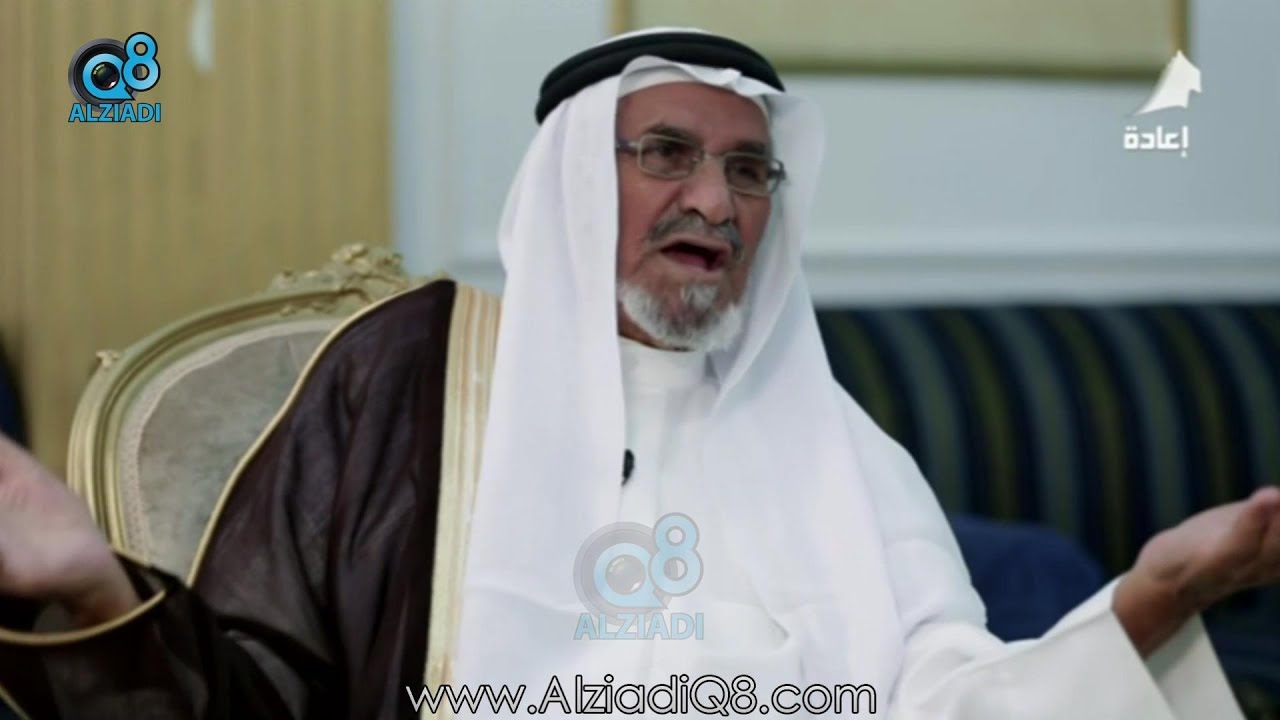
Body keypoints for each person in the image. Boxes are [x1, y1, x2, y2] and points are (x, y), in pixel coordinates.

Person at [1, 28, 1278, 719]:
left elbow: (945, 706)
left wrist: (1145, 603)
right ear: (570, 182)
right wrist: (97, 591)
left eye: (747, 169)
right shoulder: (412, 384)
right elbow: (267, 692)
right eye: (665, 153)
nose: (713, 200)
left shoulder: (838, 441)